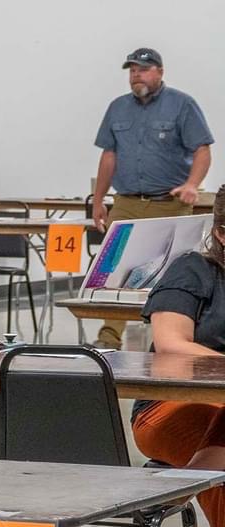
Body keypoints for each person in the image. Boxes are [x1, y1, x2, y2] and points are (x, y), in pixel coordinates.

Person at [90, 48, 214, 349]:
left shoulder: (182, 105)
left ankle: (171, 337)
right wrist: (98, 200)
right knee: (115, 268)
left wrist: (192, 184)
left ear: (159, 71)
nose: (136, 76)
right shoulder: (118, 108)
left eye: (142, 70)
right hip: (127, 201)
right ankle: (108, 338)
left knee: (173, 269)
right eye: (132, 71)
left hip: (169, 203)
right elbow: (109, 155)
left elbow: (202, 149)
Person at [131, 185, 225, 527]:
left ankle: (185, 481)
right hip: (168, 407)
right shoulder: (194, 269)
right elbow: (171, 344)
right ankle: (195, 476)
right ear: (221, 234)